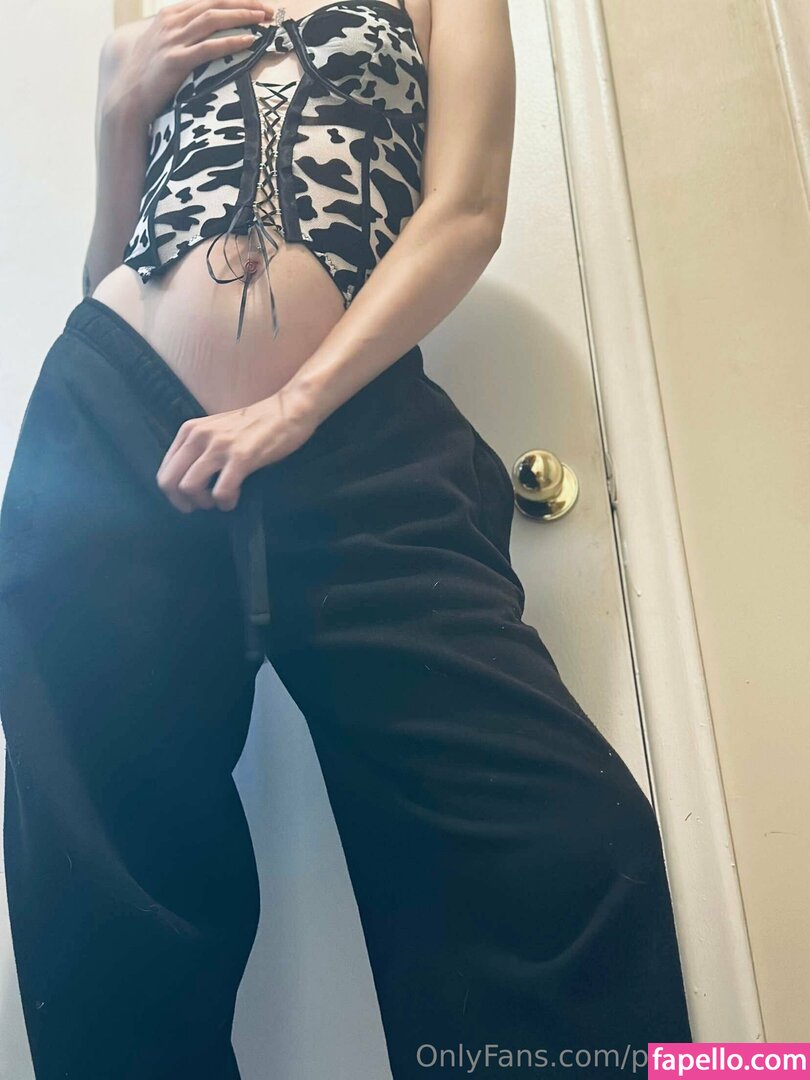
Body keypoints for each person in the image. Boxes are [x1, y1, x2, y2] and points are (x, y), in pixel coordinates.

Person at [0, 1, 693, 1077]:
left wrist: (297, 403)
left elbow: (466, 211)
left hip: (350, 422)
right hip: (113, 425)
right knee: (102, 887)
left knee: (561, 845)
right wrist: (114, 115)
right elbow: (112, 263)